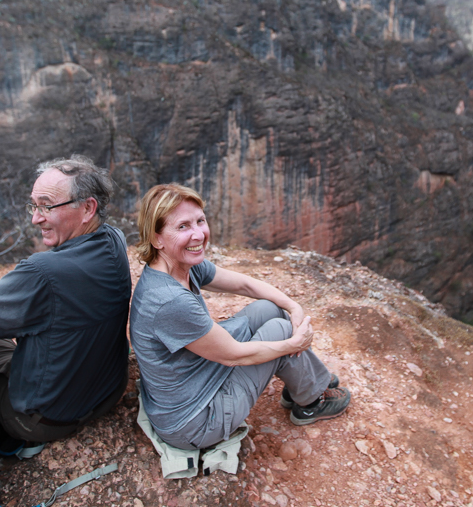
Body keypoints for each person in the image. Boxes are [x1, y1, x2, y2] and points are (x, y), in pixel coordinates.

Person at [129, 184, 350, 450]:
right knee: (281, 330)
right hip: (193, 421)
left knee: (270, 308)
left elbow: (244, 285)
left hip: (196, 378)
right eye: (183, 227)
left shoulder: (180, 264)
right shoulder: (169, 300)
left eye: (200, 221)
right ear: (156, 239)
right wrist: (294, 345)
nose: (198, 234)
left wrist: (292, 306)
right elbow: (233, 355)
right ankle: (311, 402)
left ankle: (306, 383)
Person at [0, 155, 132, 447]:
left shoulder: (42, 274)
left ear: (88, 208)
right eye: (33, 205)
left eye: (46, 205)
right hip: (107, 393)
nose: (36, 217)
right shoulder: (114, 238)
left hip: (44, 419)